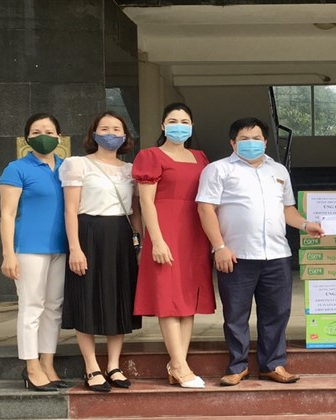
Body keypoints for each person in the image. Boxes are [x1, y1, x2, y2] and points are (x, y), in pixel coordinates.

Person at [197, 117, 324, 387]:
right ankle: (237, 366)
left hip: (276, 255)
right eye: (244, 139)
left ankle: (272, 365)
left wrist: (305, 225)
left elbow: (287, 209)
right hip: (236, 255)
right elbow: (205, 209)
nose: (251, 143)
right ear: (233, 143)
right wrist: (219, 247)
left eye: (256, 138)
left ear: (265, 142)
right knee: (236, 315)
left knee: (277, 313)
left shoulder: (278, 170)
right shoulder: (218, 170)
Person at [132, 103, 216, 389]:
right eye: (172, 121)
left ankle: (178, 362)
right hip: (165, 231)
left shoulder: (200, 157)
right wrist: (156, 240)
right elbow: (146, 202)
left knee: (187, 300)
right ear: (162, 125)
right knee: (168, 299)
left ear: (192, 126)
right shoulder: (150, 156)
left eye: (184, 121)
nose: (179, 126)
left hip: (195, 234)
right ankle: (180, 365)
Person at [59, 111, 142, 392]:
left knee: (119, 299)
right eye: (104, 128)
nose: (110, 133)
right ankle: (92, 367)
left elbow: (135, 212)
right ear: (93, 134)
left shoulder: (130, 170)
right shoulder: (77, 164)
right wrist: (75, 248)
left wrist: (139, 245)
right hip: (88, 234)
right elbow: (70, 209)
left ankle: (114, 366)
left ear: (125, 135)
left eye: (116, 129)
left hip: (120, 236)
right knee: (87, 298)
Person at [0, 113, 68, 392]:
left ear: (59, 137)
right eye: (37, 131)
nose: (43, 136)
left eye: (49, 131)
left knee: (53, 308)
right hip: (29, 248)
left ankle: (47, 362)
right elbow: (7, 214)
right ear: (27, 137)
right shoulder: (16, 169)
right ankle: (31, 366)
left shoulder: (66, 168)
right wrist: (8, 253)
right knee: (31, 307)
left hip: (61, 247)